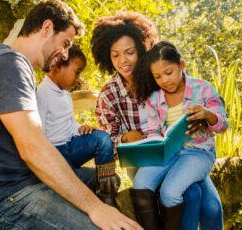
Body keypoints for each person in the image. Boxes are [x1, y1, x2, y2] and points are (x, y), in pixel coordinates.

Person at [0, 1, 141, 229]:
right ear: (46, 28)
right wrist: (96, 208)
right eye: (65, 43)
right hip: (10, 196)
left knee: (108, 180)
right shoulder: (9, 64)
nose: (64, 53)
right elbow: (33, 146)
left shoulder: (4, 59)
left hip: (28, 179)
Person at [91, 12, 224, 230]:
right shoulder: (109, 95)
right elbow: (107, 140)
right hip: (145, 160)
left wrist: (204, 117)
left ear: (142, 49)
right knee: (190, 194)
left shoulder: (159, 77)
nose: (123, 61)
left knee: (212, 208)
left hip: (183, 152)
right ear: (107, 57)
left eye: (130, 52)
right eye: (115, 55)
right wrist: (125, 137)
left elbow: (201, 98)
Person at [132, 41, 229, 229]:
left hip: (198, 153)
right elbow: (153, 132)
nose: (165, 80)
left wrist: (208, 114)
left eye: (169, 73)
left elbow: (223, 125)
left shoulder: (203, 88)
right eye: (158, 77)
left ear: (181, 66)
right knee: (141, 183)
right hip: (168, 152)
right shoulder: (155, 98)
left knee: (170, 193)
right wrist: (152, 145)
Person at [36, 44, 119, 207]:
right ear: (58, 65)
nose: (79, 78)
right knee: (85, 183)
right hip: (56, 156)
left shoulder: (65, 94)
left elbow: (68, 123)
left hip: (72, 148)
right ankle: (69, 185)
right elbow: (38, 136)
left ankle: (107, 195)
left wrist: (79, 128)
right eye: (77, 72)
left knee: (102, 139)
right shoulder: (41, 94)